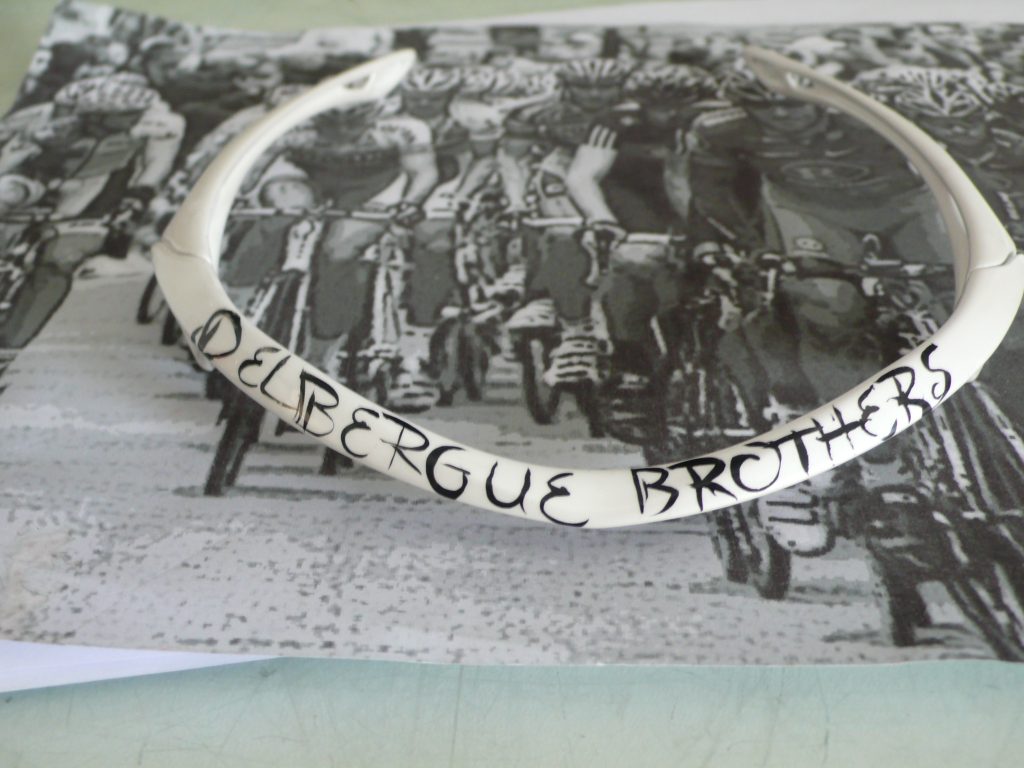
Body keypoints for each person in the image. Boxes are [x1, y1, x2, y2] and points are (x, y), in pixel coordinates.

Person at [684, 61, 954, 554]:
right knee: (825, 304)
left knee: (964, 301)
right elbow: (710, 195)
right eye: (770, 110)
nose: (788, 119)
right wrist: (748, 246)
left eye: (800, 107)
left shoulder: (880, 112)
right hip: (808, 210)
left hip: (909, 206)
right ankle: (843, 453)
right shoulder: (719, 131)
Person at [240, 96, 440, 411]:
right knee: (278, 217)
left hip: (374, 189)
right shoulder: (293, 123)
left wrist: (411, 203)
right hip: (305, 179)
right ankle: (239, 302)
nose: (343, 131)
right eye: (332, 124)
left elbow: (423, 173)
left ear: (373, 116)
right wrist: (238, 193)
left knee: (340, 254)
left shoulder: (402, 129)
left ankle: (321, 356)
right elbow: (250, 167)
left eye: (353, 123)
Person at [565, 63, 720, 397]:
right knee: (633, 264)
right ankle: (629, 359)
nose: (664, 115)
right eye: (654, 107)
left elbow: (681, 184)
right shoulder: (615, 121)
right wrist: (601, 218)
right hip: (631, 197)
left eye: (675, 107)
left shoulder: (711, 122)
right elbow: (582, 176)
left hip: (691, 195)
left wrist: (705, 229)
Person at [0, 74, 183, 350]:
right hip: (34, 178)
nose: (96, 127)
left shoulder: (160, 125)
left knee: (58, 262)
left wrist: (135, 200)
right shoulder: (43, 116)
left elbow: (155, 166)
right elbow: (9, 155)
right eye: (92, 120)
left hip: (93, 189)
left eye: (129, 116)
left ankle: (12, 343)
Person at [498, 57, 633, 386]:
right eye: (584, 87)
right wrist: (515, 199)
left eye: (605, 88)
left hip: (621, 170)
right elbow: (513, 158)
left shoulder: (634, 112)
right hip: (559, 168)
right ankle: (541, 294)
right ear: (566, 86)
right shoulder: (534, 113)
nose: (594, 95)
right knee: (562, 228)